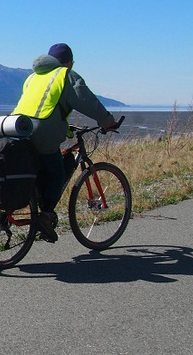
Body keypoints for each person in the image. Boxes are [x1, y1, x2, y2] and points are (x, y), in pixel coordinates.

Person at [12, 43, 117, 242]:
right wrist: (107, 121)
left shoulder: (33, 77)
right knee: (57, 173)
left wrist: (65, 129)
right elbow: (88, 101)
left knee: (36, 168)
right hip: (42, 131)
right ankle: (45, 215)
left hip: (18, 128)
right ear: (69, 62)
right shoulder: (66, 75)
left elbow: (44, 106)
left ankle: (30, 203)